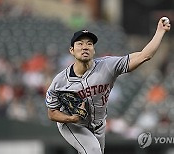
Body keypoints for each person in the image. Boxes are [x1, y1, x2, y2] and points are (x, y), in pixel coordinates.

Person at [45, 17, 171, 154]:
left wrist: (160, 31)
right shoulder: (60, 81)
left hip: (98, 124)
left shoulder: (108, 65)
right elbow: (52, 113)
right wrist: (71, 118)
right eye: (80, 44)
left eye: (89, 44)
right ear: (71, 50)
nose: (85, 47)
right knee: (93, 151)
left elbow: (144, 56)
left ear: (93, 50)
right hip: (71, 124)